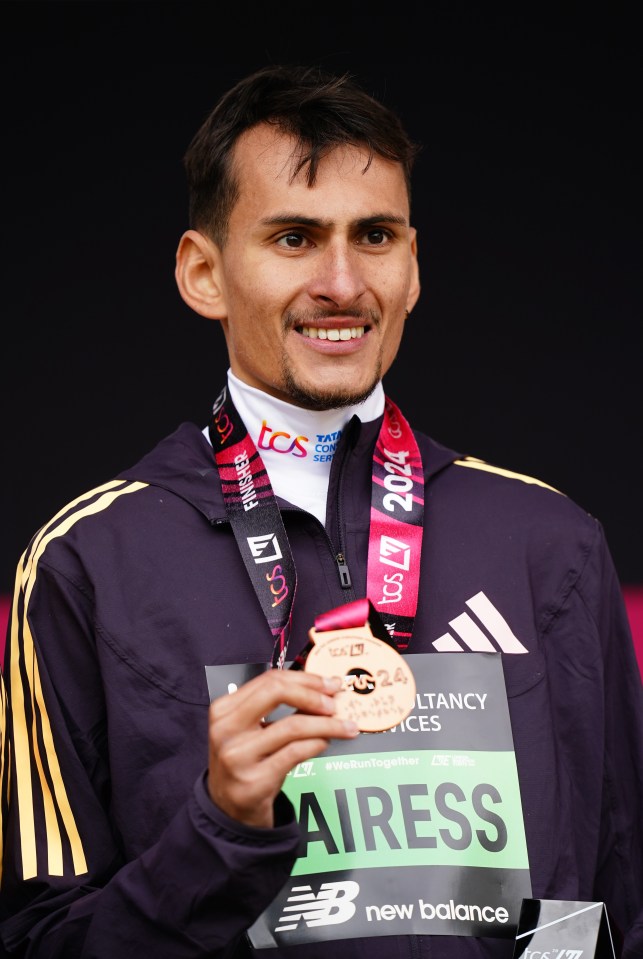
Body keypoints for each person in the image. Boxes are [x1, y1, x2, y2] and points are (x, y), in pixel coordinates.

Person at [1, 62, 642, 959]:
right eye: (294, 238)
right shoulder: (88, 562)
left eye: (373, 236)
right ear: (203, 273)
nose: (342, 283)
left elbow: (612, 901)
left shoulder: (551, 544)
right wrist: (218, 829)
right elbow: (38, 944)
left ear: (413, 268)